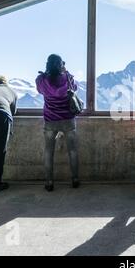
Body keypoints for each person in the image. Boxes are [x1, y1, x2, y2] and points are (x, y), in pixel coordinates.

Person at [36, 54, 80, 192]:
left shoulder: (41, 80)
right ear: (61, 64)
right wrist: (66, 72)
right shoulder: (67, 78)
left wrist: (46, 74)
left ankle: (49, 182)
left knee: (49, 151)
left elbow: (39, 90)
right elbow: (75, 88)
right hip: (68, 119)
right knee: (72, 150)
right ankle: (75, 179)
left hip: (50, 120)